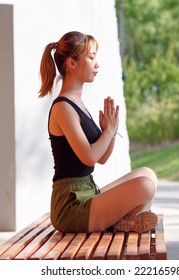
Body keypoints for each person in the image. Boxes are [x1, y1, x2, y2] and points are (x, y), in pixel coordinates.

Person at [38, 31, 158, 233]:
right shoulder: (63, 107)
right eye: (91, 57)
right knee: (144, 186)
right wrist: (108, 132)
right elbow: (90, 157)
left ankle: (122, 221)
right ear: (72, 63)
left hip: (88, 192)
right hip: (70, 206)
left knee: (148, 175)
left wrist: (110, 132)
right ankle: (122, 221)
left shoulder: (78, 104)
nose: (97, 64)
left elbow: (102, 158)